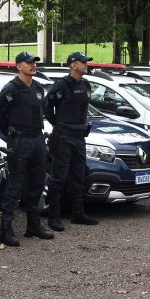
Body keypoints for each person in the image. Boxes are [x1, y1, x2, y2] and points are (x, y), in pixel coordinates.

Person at [0, 51, 54, 246]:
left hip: (37, 140)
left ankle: (33, 226)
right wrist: (12, 135)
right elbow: (0, 117)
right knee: (15, 185)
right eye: (29, 63)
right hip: (20, 142)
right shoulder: (11, 89)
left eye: (34, 62)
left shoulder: (38, 88)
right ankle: (6, 230)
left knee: (37, 184)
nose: (33, 65)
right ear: (19, 66)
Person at [43, 52, 98, 231]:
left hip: (79, 137)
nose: (86, 64)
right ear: (73, 65)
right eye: (83, 62)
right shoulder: (62, 85)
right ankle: (54, 217)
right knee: (59, 178)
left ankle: (78, 213)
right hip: (64, 137)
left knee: (78, 176)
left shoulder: (86, 84)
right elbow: (47, 106)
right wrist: (59, 124)